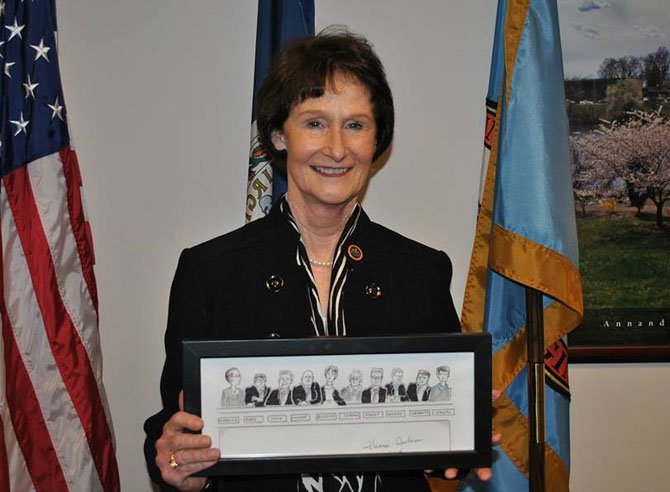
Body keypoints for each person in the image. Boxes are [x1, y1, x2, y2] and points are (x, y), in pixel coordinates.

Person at [143, 28, 493, 492]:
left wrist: (454, 438)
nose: (336, 148)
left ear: (376, 139)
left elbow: (432, 439)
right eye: (313, 123)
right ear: (277, 135)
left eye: (355, 124)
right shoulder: (209, 272)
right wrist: (181, 468)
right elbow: (176, 428)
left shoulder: (422, 271)